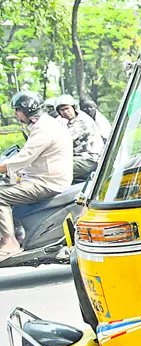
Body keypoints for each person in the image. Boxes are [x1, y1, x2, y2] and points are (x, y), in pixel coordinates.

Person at [0, 92, 73, 262]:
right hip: (41, 177)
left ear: (27, 109)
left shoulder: (44, 129)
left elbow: (23, 159)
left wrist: (7, 168)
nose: (15, 114)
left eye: (18, 110)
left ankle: (9, 242)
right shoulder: (41, 125)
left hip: (47, 182)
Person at [56, 94, 103, 180]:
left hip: (89, 158)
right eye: (62, 110)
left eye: (67, 108)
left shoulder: (82, 121)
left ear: (74, 108)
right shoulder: (68, 121)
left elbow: (62, 140)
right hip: (78, 157)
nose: (65, 112)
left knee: (57, 171)